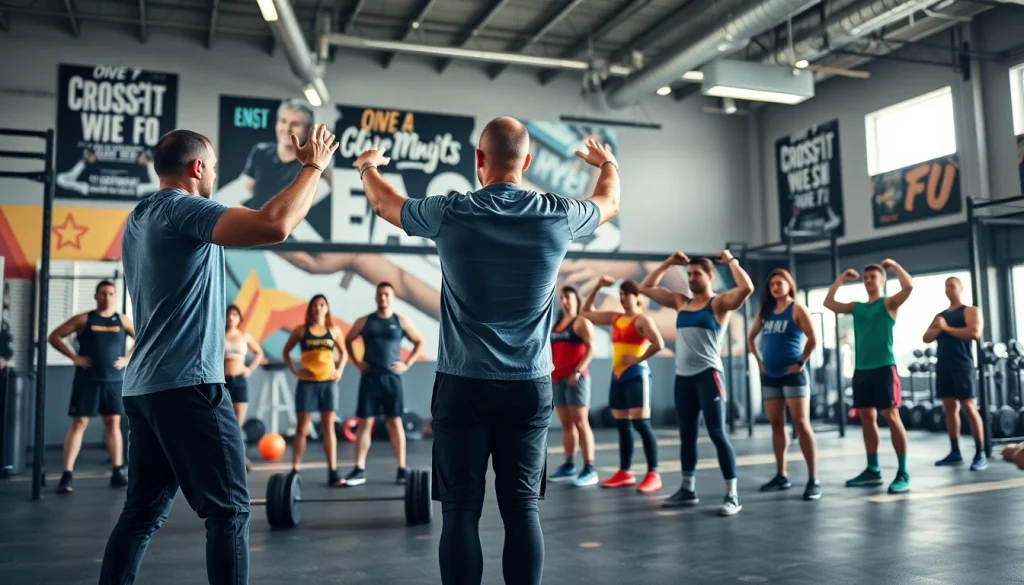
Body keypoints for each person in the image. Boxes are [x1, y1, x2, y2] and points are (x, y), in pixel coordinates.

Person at [354, 116, 618, 585]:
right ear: (528, 162)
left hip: (463, 385)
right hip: (529, 386)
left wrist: (368, 166)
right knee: (521, 510)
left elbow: (384, 204)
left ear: (478, 161)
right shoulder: (556, 213)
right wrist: (606, 162)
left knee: (459, 511)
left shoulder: (451, 210)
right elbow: (609, 201)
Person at [98, 124, 339, 585]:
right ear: (198, 168)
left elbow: (279, 222)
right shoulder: (185, 209)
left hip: (144, 390)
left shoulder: (140, 216)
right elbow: (275, 225)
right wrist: (313, 167)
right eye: (211, 168)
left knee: (142, 513)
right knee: (229, 512)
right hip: (189, 386)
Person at [641, 251, 754, 516]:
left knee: (717, 434)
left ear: (709, 276)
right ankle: (687, 489)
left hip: (708, 375)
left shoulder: (719, 304)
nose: (691, 278)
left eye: (696, 274)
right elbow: (646, 287)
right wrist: (669, 263)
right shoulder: (681, 301)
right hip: (684, 378)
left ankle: (732, 495)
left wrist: (731, 261)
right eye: (689, 274)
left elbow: (746, 288)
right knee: (687, 435)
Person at [824, 260, 914, 494]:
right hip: (861, 370)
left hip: (884, 368)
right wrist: (841, 279)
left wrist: (895, 266)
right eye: (865, 277)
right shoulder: (857, 307)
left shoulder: (888, 303)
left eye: (873, 277)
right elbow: (829, 303)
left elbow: (909, 287)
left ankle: (903, 471)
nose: (868, 281)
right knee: (866, 417)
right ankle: (873, 470)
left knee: (892, 417)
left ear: (882, 281)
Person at [48, 280, 135, 493]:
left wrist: (128, 359)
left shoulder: (122, 320)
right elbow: (54, 336)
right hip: (87, 381)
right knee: (79, 423)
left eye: (111, 293)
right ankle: (67, 475)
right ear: (96, 296)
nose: (107, 297)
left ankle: (117, 471)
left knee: (113, 423)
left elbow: (144, 339)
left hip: (113, 382)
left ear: (115, 297)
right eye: (103, 293)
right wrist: (74, 358)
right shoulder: (84, 319)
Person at [580, 278, 664, 493]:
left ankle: (653, 473)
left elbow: (659, 343)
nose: (623, 297)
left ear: (637, 297)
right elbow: (586, 312)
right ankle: (625, 472)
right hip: (617, 377)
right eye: (621, 294)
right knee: (623, 426)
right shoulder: (615, 318)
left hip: (637, 376)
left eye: (627, 293)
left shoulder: (641, 320)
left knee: (642, 425)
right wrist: (597, 286)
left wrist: (638, 359)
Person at [747, 269, 822, 500]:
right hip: (770, 375)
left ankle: (813, 479)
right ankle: (781, 475)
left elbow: (813, 338)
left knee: (801, 423)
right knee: (776, 424)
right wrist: (759, 361)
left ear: (789, 285)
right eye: (772, 285)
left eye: (780, 283)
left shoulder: (797, 309)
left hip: (793, 375)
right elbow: (751, 338)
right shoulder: (766, 311)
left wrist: (800, 362)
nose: (775, 288)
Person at [342, 281, 426, 486]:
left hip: (392, 379)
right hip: (370, 378)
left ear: (392, 298)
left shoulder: (401, 321)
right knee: (365, 423)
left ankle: (401, 469)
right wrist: (356, 361)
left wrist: (407, 363)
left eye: (387, 294)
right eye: (380, 294)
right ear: (376, 297)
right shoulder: (364, 321)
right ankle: (359, 469)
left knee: (395, 423)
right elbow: (348, 339)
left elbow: (419, 342)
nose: (383, 298)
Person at [282, 294, 348, 485]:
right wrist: (295, 371)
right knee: (302, 428)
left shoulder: (334, 331)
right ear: (310, 309)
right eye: (315, 305)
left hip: (328, 383)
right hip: (307, 384)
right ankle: (295, 469)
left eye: (322, 305)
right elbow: (286, 352)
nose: (318, 308)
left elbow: (343, 353)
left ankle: (332, 471)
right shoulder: (301, 331)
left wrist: (340, 370)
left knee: (328, 428)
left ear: (327, 308)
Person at [924, 276, 987, 471]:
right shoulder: (940, 315)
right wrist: (939, 327)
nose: (948, 289)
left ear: (961, 288)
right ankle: (955, 452)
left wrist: (944, 328)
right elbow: (926, 337)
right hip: (944, 366)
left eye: (952, 286)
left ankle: (980, 453)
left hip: (963, 366)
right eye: (946, 286)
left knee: (968, 406)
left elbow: (974, 332)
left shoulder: (970, 311)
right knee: (949, 408)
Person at [547, 285, 598, 487]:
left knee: (580, 422)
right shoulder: (557, 324)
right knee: (566, 424)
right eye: (562, 298)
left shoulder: (581, 322)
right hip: (557, 378)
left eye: (568, 297)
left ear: (576, 299)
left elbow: (591, 348)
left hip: (576, 378)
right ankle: (569, 466)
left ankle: (589, 468)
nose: (565, 301)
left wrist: (577, 370)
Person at [224, 304, 264, 471]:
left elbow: (259, 353)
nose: (231, 317)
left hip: (240, 382)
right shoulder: (219, 335)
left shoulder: (245, 336)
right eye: (229, 315)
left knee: (237, 425)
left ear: (240, 318)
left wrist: (249, 369)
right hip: (223, 382)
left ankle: (241, 459)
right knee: (225, 422)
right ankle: (225, 459)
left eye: (235, 314)